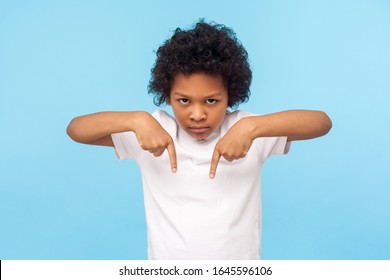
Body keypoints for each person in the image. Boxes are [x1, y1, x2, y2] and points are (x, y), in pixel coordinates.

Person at [66, 20, 332, 260]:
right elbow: (76, 129)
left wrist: (253, 127)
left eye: (212, 101)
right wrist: (135, 120)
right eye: (183, 101)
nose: (197, 114)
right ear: (167, 96)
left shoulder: (246, 131)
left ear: (230, 95)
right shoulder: (152, 132)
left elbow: (321, 122)